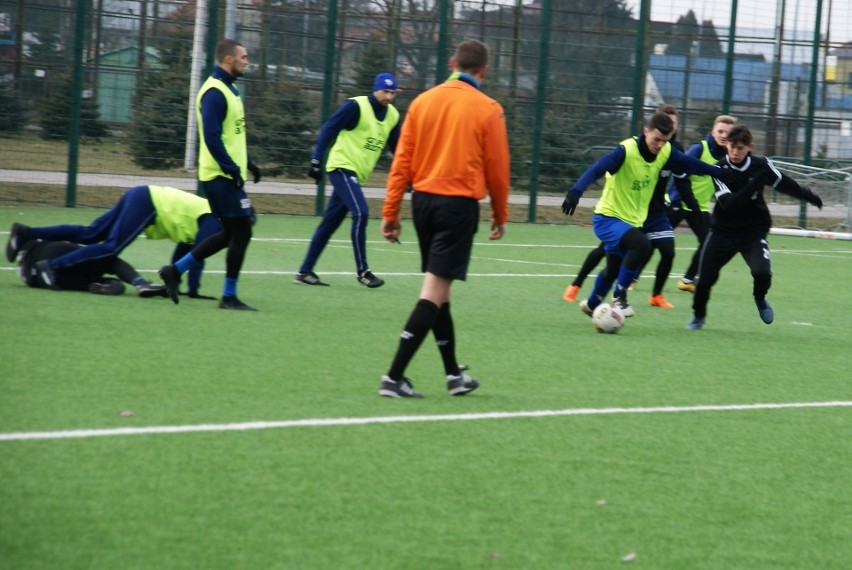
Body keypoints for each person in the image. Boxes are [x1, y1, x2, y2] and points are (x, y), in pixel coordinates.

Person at [378, 39, 510, 398]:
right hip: (457, 207)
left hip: (423, 203)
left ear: (452, 63)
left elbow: (401, 161)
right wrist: (500, 213)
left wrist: (390, 212)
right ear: (483, 71)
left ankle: (453, 375)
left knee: (441, 292)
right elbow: (498, 169)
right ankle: (393, 376)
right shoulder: (489, 108)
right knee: (434, 291)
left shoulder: (422, 102)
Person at [562, 111, 738, 319]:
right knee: (642, 245)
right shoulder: (625, 150)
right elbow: (597, 168)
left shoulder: (665, 151)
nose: (659, 145)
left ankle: (592, 304)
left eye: (664, 141)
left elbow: (690, 164)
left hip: (631, 221)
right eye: (656, 139)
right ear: (646, 131)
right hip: (608, 218)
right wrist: (576, 191)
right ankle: (619, 298)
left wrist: (718, 172)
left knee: (612, 270)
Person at [686, 124, 823, 330]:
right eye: (731, 147)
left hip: (753, 232)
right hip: (723, 232)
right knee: (704, 280)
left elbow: (784, 183)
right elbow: (729, 204)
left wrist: (808, 196)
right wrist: (752, 185)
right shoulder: (719, 169)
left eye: (740, 148)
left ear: (749, 147)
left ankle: (760, 298)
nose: (734, 152)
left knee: (762, 274)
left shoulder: (761, 166)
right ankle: (698, 317)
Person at [159, 38, 262, 311]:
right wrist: (231, 169)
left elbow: (231, 136)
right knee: (242, 233)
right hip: (220, 177)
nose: (247, 61)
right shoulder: (214, 92)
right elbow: (212, 138)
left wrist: (248, 163)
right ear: (228, 59)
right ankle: (228, 297)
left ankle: (175, 270)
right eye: (244, 57)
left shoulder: (230, 89)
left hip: (225, 175)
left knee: (230, 233)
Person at [5, 185, 222, 298]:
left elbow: (184, 251)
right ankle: (51, 267)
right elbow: (197, 254)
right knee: (110, 248)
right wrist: (192, 289)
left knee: (91, 233)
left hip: (143, 194)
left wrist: (185, 288)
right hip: (149, 202)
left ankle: (26, 232)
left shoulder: (217, 218)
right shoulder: (217, 220)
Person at [295, 73, 402, 288]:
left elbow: (398, 149)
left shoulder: (392, 115)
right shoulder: (356, 106)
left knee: (329, 223)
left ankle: (304, 272)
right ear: (375, 89)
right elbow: (329, 128)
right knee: (361, 212)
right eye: (385, 91)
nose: (388, 96)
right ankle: (363, 272)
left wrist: (407, 176)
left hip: (356, 175)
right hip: (341, 167)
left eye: (392, 92)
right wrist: (316, 159)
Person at [669, 114, 736, 293]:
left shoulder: (731, 157)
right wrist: (675, 199)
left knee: (708, 243)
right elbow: (679, 172)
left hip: (699, 208)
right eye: (720, 131)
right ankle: (632, 277)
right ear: (712, 132)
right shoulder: (699, 148)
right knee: (655, 241)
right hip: (677, 202)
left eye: (727, 133)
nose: (723, 135)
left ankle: (687, 280)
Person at [16, 238, 165, 297]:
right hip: (51, 259)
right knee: (109, 261)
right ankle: (140, 283)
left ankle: (106, 284)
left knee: (89, 279)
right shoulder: (36, 241)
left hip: (34, 278)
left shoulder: (24, 256)